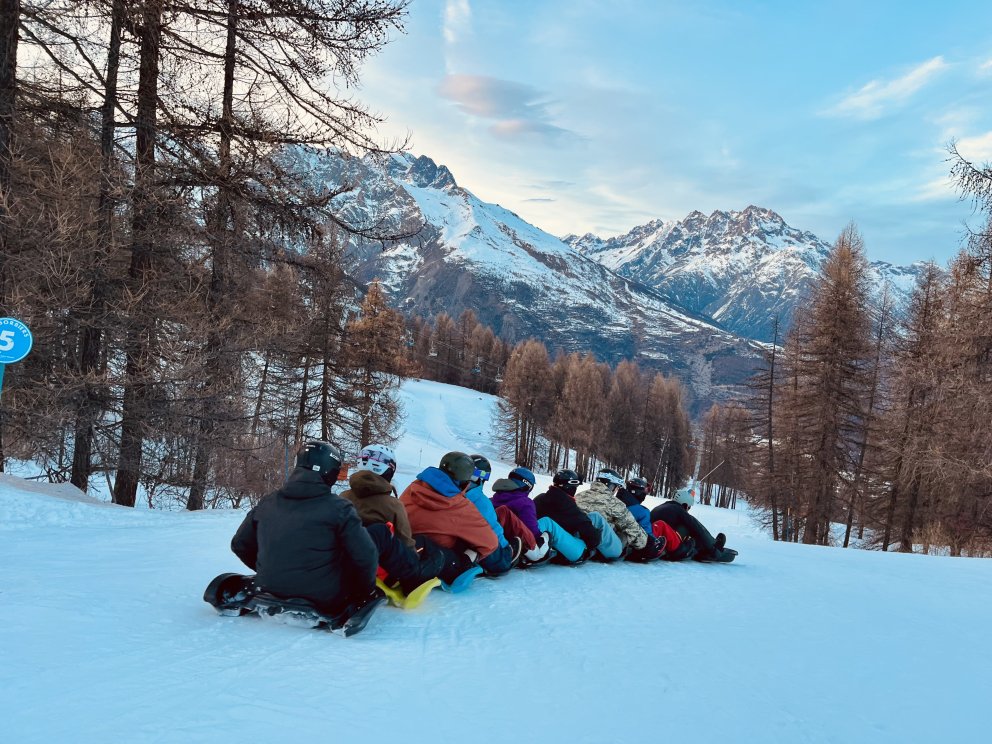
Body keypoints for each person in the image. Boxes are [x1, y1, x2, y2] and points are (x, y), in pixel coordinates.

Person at [230, 440, 380, 619]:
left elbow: (240, 544)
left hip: (267, 588)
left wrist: (270, 569)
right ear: (329, 472)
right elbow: (366, 556)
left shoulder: (267, 502)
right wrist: (364, 590)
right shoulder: (340, 508)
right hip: (324, 598)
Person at [341, 443, 443, 594]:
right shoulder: (393, 505)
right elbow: (405, 542)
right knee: (432, 551)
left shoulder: (342, 497)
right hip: (382, 572)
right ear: (389, 471)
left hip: (345, 563)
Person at [400, 451, 500, 584]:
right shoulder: (460, 505)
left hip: (402, 549)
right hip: (438, 560)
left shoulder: (413, 487)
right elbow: (490, 543)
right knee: (471, 545)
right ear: (466, 481)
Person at [533, 469, 625, 563]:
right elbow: (587, 529)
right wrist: (593, 541)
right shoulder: (566, 503)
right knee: (594, 521)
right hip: (573, 552)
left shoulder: (540, 498)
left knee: (592, 518)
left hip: (548, 542)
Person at [576, 468, 664, 562]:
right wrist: (648, 544)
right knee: (626, 530)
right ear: (611, 486)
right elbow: (631, 526)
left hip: (581, 542)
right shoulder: (613, 503)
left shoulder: (579, 496)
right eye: (616, 487)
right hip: (605, 548)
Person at [463, 455, 527, 576]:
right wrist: (505, 548)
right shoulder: (481, 501)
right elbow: (492, 529)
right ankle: (508, 554)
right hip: (492, 556)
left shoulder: (451, 496)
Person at [650, 486, 738, 563]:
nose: (687, 510)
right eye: (688, 507)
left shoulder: (659, 508)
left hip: (657, 543)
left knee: (687, 525)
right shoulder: (678, 509)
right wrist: (713, 549)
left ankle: (702, 548)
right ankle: (712, 546)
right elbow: (696, 528)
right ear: (684, 504)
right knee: (691, 525)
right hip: (671, 546)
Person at [489, 466, 554, 565]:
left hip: (500, 539)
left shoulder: (495, 497)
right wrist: (540, 538)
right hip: (523, 544)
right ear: (528, 486)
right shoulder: (525, 503)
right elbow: (532, 530)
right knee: (547, 527)